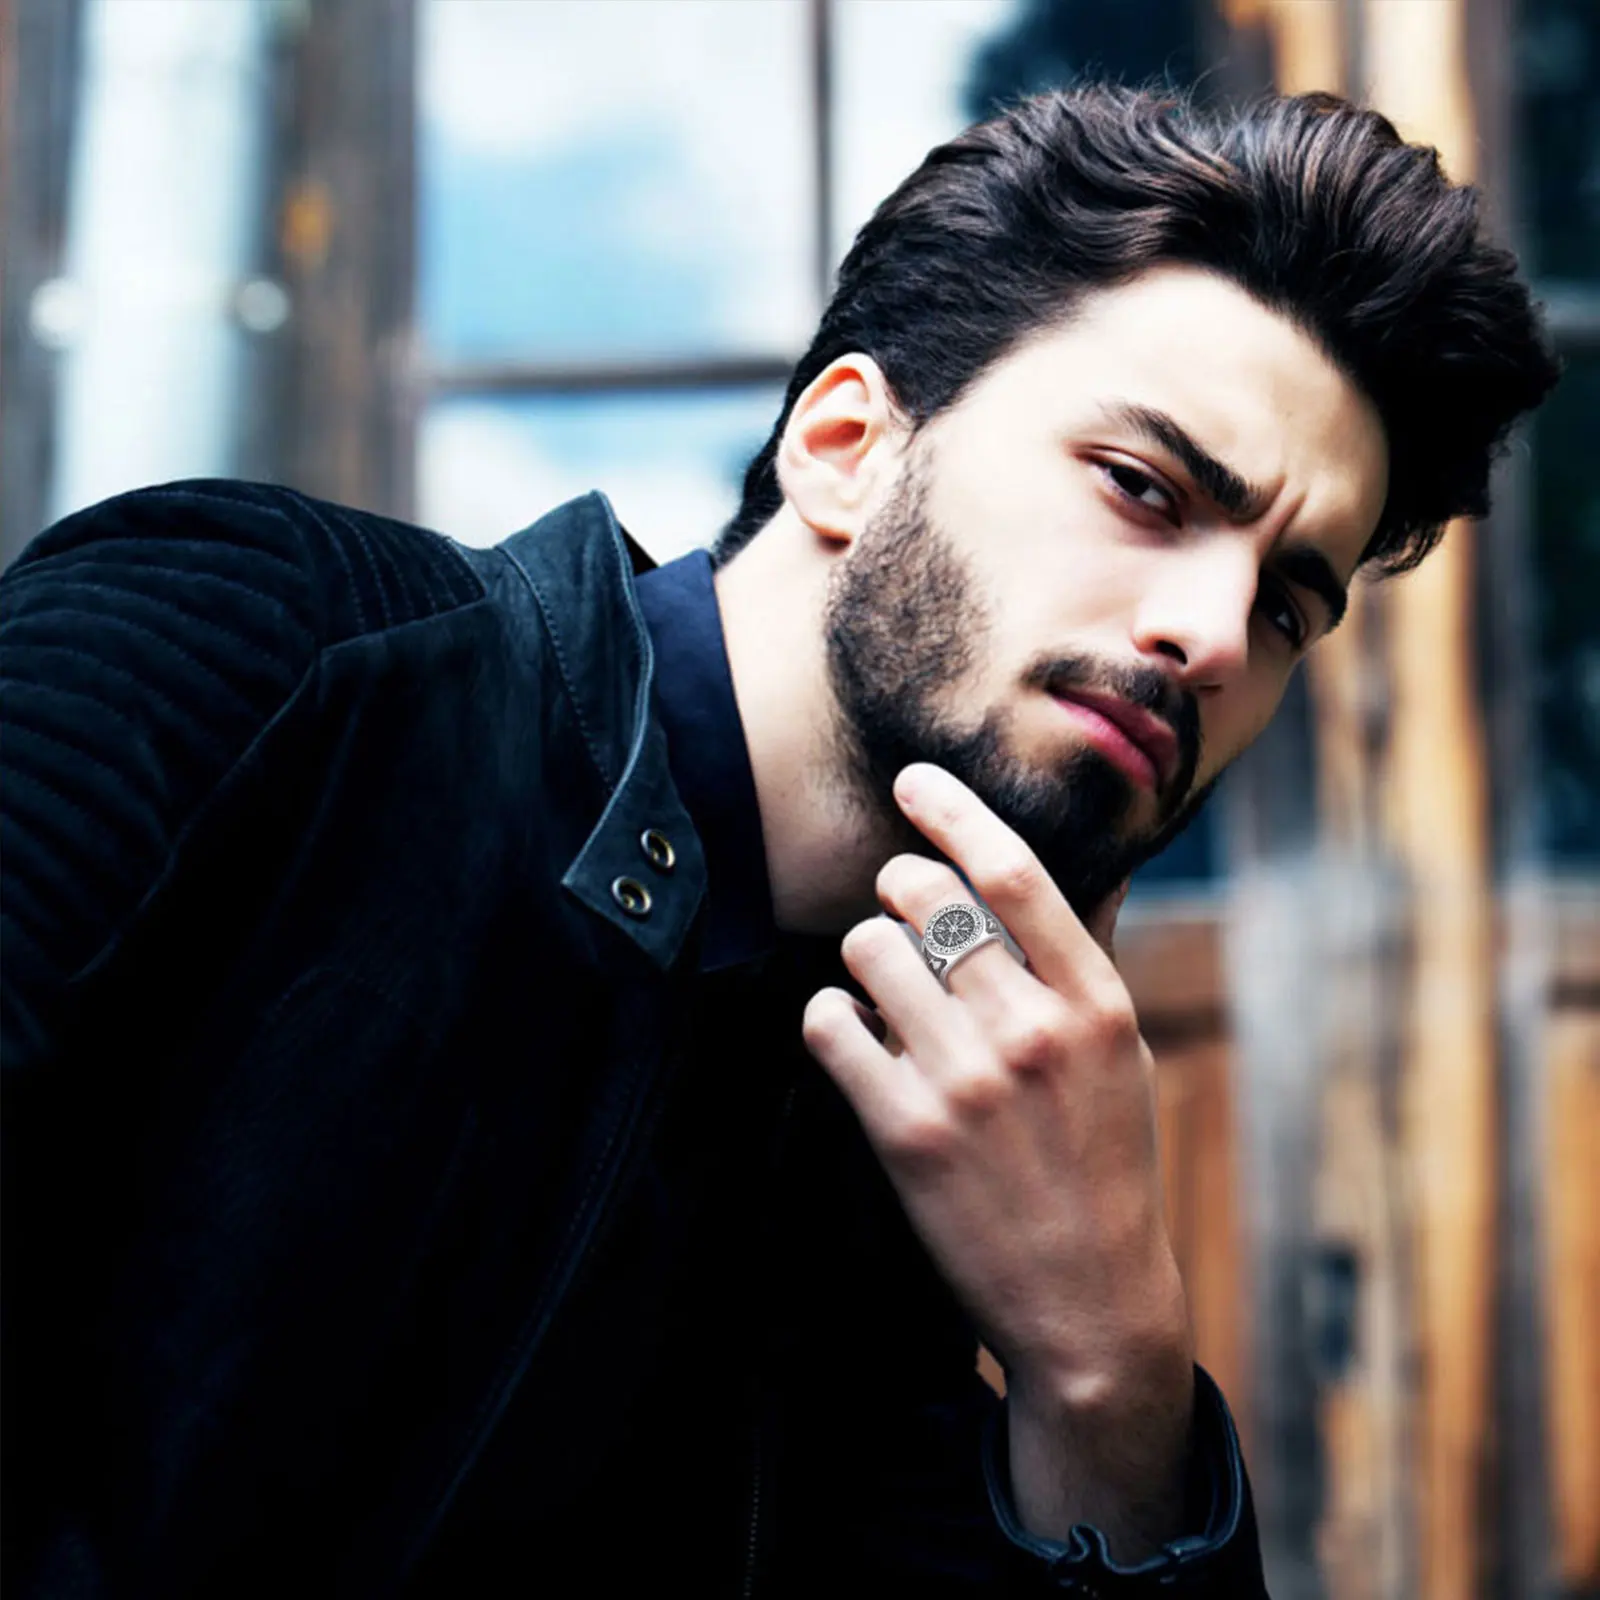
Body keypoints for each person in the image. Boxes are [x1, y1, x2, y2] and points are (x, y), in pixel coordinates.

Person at [0, 84, 1557, 1597]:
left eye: (1287, 606)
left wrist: (1109, 1370)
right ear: (845, 446)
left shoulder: (936, 1153)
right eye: (1145, 489)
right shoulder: (260, 651)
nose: (1214, 634)